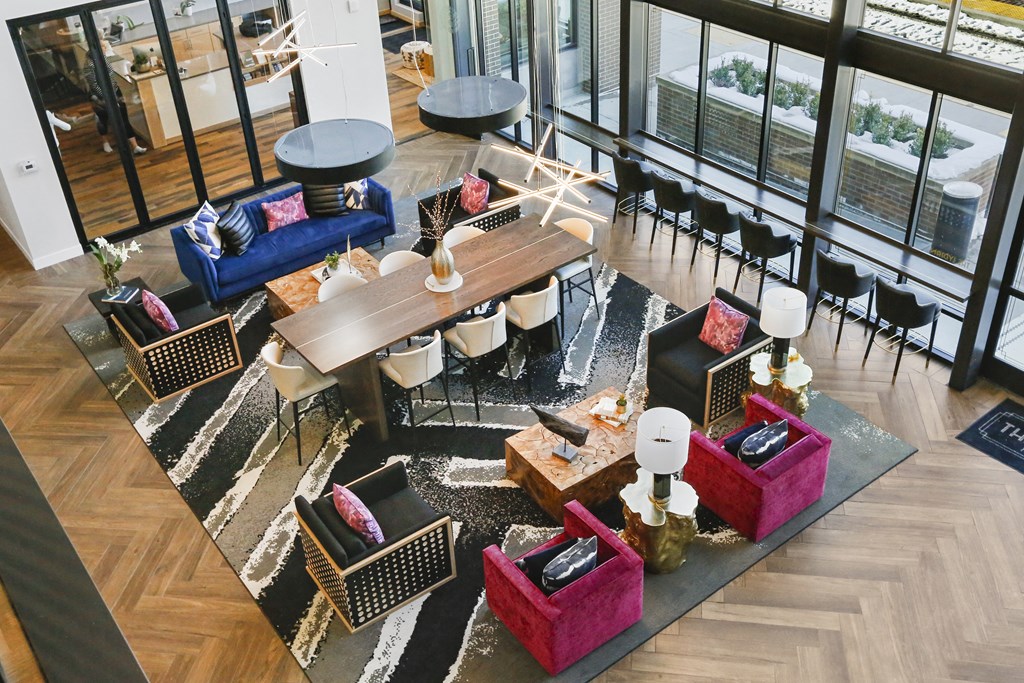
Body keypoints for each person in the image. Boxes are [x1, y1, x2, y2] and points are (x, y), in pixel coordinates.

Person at [82, 35, 146, 155]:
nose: (105, 48)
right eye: (102, 47)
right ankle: (105, 142)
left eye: (105, 46)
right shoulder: (89, 65)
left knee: (123, 118)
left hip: (114, 91)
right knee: (103, 119)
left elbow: (111, 74)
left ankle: (135, 146)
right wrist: (108, 97)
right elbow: (94, 85)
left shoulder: (104, 58)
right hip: (100, 97)